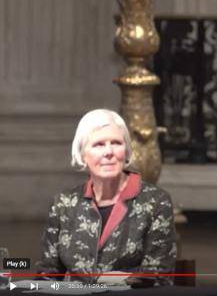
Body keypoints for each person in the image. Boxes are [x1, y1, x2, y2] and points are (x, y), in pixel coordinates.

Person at [37, 109, 177, 286]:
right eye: (99, 144)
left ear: (126, 151)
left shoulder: (155, 202)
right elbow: (47, 275)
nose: (109, 152)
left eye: (116, 143)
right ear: (82, 155)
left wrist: (120, 280)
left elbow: (160, 277)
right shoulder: (63, 204)